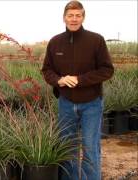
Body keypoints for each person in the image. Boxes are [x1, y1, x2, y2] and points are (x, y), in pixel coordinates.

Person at [41, 1, 114, 179]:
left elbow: (107, 70)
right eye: (70, 15)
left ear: (83, 17)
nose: (74, 19)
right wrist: (59, 80)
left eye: (78, 15)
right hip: (66, 103)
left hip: (92, 104)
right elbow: (46, 70)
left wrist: (79, 80)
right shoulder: (55, 42)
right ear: (64, 17)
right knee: (68, 147)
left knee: (90, 147)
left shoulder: (96, 40)